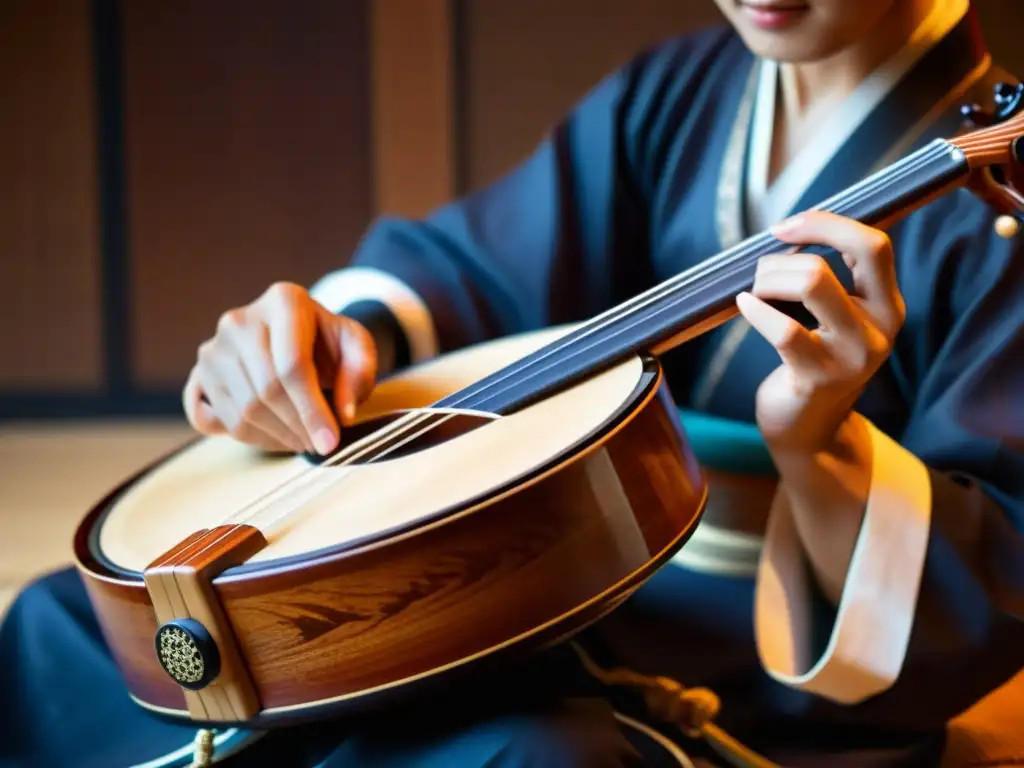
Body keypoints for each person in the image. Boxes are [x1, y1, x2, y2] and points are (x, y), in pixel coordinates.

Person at [4, 0, 1024, 765]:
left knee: (520, 754)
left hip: (735, 670)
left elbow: (992, 579)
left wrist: (819, 445)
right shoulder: (675, 91)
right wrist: (325, 342)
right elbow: (476, 272)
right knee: (68, 628)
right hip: (514, 585)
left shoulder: (997, 214)